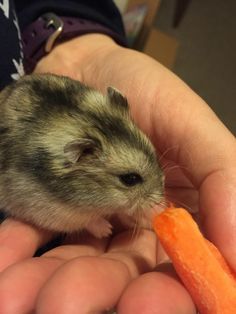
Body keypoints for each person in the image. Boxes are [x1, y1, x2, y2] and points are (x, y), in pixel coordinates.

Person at [0, 1, 235, 313]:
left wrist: (80, 41)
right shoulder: (57, 176)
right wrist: (91, 219)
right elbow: (42, 205)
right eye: (130, 179)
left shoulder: (101, 118)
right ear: (80, 157)